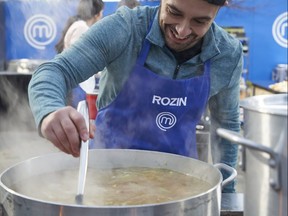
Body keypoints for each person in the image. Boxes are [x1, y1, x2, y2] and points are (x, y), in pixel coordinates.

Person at [28, 0, 243, 193]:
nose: (182, 30)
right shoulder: (127, 29)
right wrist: (49, 110)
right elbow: (56, 71)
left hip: (180, 188)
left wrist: (226, 193)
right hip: (103, 178)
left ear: (217, 13)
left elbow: (227, 126)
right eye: (174, 12)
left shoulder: (227, 54)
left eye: (199, 21)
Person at [55, 0, 104, 108]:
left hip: (76, 83)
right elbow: (79, 60)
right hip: (75, 85)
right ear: (98, 14)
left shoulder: (79, 25)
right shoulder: (82, 28)